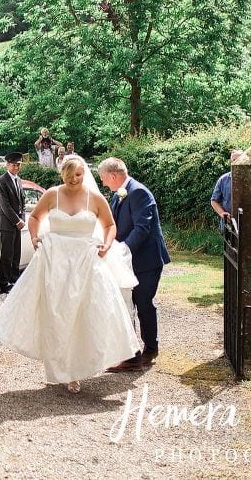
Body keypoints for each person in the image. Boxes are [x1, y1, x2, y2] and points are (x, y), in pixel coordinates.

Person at [0, 156, 140, 393]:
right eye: (70, 175)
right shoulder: (52, 194)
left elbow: (109, 225)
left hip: (85, 263)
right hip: (55, 264)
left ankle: (75, 372)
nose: (74, 180)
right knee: (57, 316)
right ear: (63, 174)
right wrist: (34, 236)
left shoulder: (95, 197)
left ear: (84, 173)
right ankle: (60, 369)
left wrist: (107, 244)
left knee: (84, 315)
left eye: (79, 175)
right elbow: (35, 218)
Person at [98, 157, 171, 371]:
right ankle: (131, 353)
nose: (103, 182)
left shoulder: (138, 192)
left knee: (143, 303)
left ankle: (149, 350)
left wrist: (123, 250)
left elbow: (142, 228)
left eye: (103, 178)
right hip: (126, 261)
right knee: (125, 304)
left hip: (145, 260)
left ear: (113, 175)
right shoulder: (119, 193)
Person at [0, 151, 26, 292]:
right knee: (7, 255)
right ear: (7, 165)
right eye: (14, 165)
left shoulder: (18, 180)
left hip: (18, 223)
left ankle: (14, 279)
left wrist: (22, 219)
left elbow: (23, 202)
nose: (16, 167)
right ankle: (4, 282)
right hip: (7, 224)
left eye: (18, 165)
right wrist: (16, 221)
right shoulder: (2, 181)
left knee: (16, 253)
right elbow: (4, 205)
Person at [211, 150, 244, 230]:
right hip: (228, 224)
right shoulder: (223, 179)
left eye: (239, 160)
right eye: (234, 160)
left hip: (247, 224)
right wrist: (222, 213)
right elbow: (214, 201)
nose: (236, 162)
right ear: (231, 162)